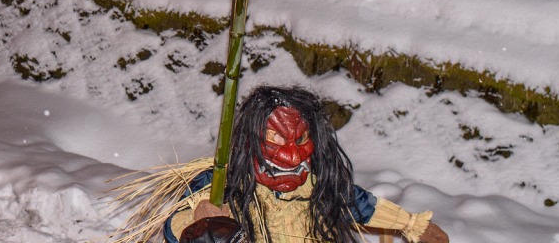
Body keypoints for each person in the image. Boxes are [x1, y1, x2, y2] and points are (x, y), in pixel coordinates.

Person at [144, 86, 449, 243]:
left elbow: (361, 204)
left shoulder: (320, 184)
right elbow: (176, 225)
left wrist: (413, 225)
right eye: (275, 139)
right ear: (251, 140)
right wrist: (200, 226)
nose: (291, 157)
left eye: (301, 139)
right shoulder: (222, 185)